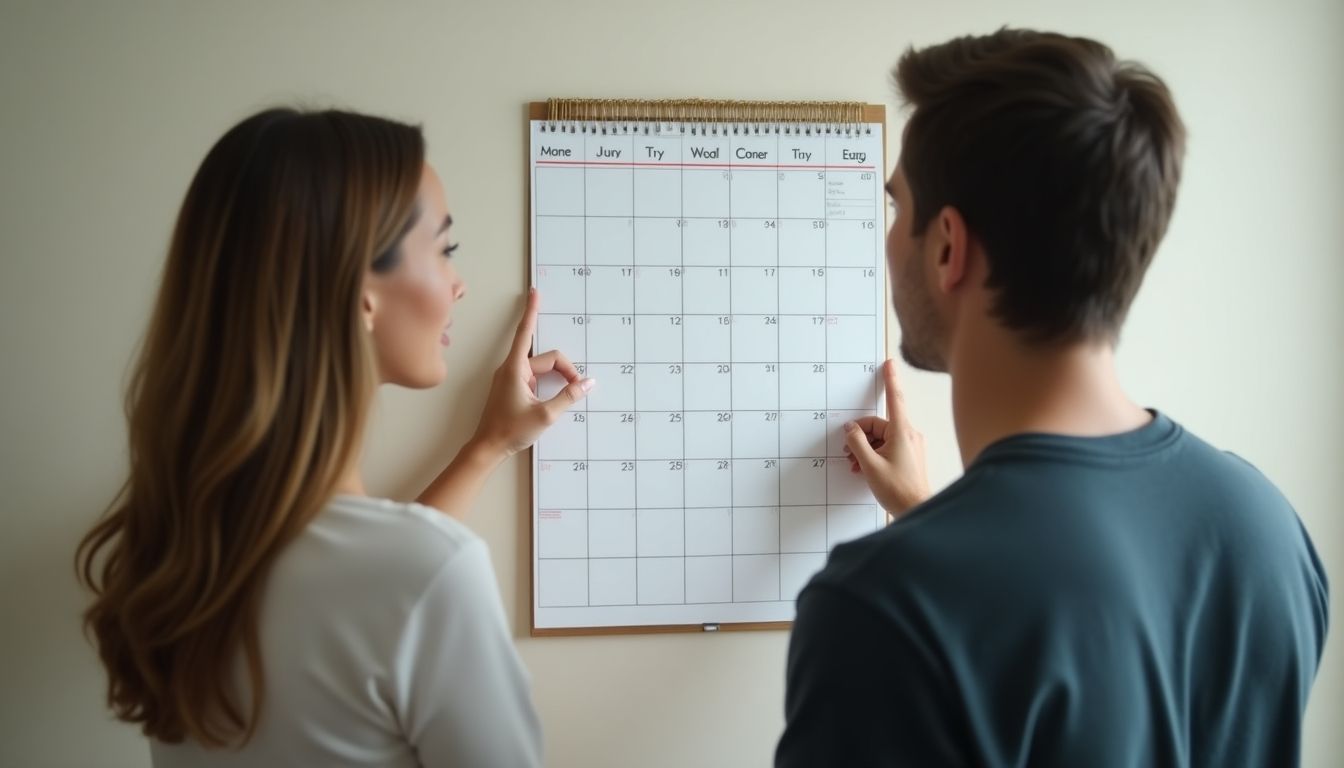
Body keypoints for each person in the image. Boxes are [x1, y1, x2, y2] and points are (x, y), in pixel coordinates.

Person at [776, 28, 1329, 767]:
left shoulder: (882, 606)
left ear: (947, 248)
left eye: (895, 206)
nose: (887, 237)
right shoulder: (1262, 526)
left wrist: (929, 551)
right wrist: (930, 519)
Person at [75, 108, 592, 766]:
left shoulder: (184, 552)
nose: (459, 283)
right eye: (444, 248)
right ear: (361, 295)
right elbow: (391, 590)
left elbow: (363, 599)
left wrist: (485, 446)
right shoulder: (427, 572)